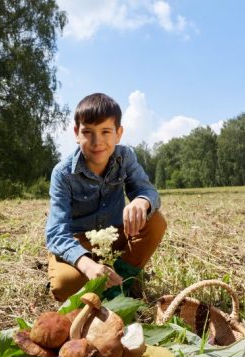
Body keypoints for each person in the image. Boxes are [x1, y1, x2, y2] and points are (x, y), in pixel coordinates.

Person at [46, 93, 167, 301]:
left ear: (118, 134)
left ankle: (121, 282)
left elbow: (148, 191)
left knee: (155, 221)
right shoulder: (63, 173)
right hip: (80, 244)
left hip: (114, 237)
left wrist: (141, 201)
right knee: (63, 286)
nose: (97, 142)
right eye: (88, 132)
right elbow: (56, 233)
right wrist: (87, 264)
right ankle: (103, 278)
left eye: (105, 132)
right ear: (76, 133)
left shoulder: (125, 157)